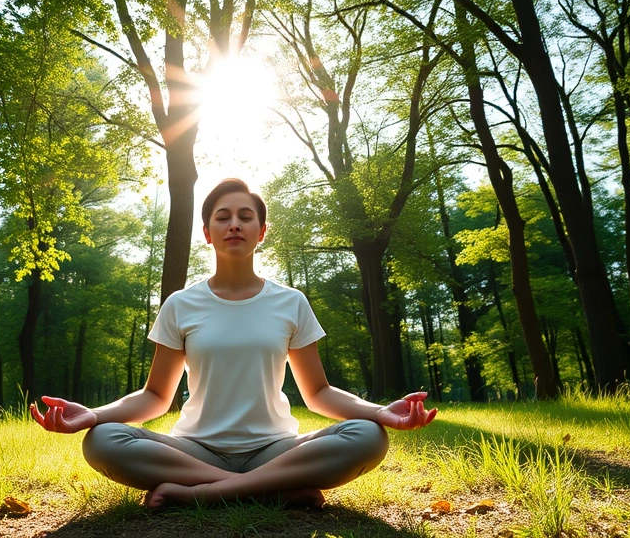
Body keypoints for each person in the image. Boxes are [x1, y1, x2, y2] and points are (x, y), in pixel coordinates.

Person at [30, 178, 437, 509]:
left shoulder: (290, 302)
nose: (234, 224)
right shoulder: (181, 304)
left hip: (275, 449)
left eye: (246, 217)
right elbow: (155, 395)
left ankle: (205, 494)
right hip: (193, 451)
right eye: (222, 218)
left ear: (262, 231)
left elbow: (318, 393)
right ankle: (273, 491)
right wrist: (94, 416)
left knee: (368, 436)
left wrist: (380, 412)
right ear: (207, 233)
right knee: (102, 440)